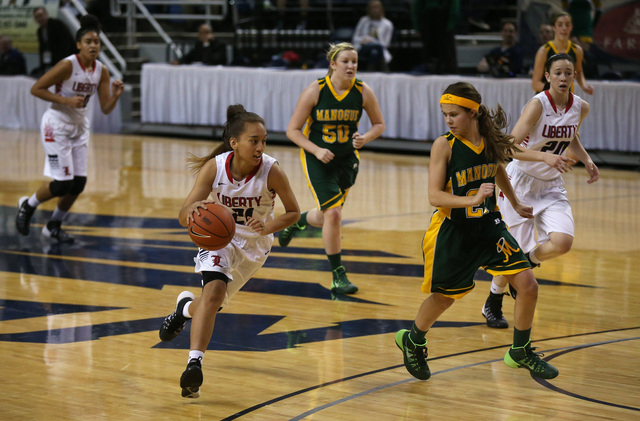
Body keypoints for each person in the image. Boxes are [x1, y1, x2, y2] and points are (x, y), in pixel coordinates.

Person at [394, 81, 561, 382]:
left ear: (473, 112)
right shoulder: (443, 145)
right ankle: (414, 339)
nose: (448, 120)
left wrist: (514, 201)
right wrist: (470, 199)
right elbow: (434, 196)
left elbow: (497, 167)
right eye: (445, 114)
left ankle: (520, 350)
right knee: (445, 298)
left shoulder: (490, 138)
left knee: (528, 285)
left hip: (488, 224)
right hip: (453, 229)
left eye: (454, 114)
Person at [158, 104, 300, 398]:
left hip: (255, 245)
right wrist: (194, 209)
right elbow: (183, 214)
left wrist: (267, 225)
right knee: (212, 295)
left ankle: (184, 310)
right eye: (254, 140)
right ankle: (194, 365)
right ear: (234, 143)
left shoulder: (272, 171)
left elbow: (295, 213)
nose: (260, 146)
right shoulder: (215, 167)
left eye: (263, 140)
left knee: (212, 304)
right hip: (219, 240)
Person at [481, 53, 599, 329]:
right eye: (557, 72)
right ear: (547, 76)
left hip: (551, 186)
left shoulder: (581, 107)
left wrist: (586, 159)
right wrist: (545, 157)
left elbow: (571, 138)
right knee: (512, 252)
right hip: (520, 182)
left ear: (574, 76)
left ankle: (528, 262)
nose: (563, 78)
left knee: (562, 242)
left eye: (568, 73)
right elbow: (508, 148)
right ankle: (493, 300)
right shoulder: (537, 105)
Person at [278, 42, 385, 294]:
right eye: (346, 61)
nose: (351, 66)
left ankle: (299, 221)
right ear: (333, 64)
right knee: (334, 214)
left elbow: (379, 124)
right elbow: (292, 130)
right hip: (318, 158)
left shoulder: (363, 90)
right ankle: (338, 275)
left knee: (328, 215)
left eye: (355, 61)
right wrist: (315, 150)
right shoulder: (315, 90)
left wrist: (365, 138)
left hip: (347, 159)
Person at [15, 15, 124, 243]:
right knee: (62, 183)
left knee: (78, 183)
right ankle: (28, 205)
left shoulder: (101, 71)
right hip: (56, 125)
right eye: (88, 42)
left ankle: (53, 225)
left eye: (96, 42)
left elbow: (105, 108)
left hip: (79, 127)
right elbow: (36, 88)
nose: (93, 45)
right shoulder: (68, 65)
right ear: (79, 45)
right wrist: (66, 101)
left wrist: (115, 96)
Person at [531, 12, 593, 94]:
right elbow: (535, 84)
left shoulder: (577, 50)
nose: (564, 28)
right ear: (553, 27)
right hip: (546, 101)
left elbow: (578, 72)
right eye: (560, 25)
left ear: (571, 27)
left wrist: (584, 86)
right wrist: (555, 91)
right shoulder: (544, 51)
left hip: (566, 101)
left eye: (567, 25)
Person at [411, 0, 459, 74]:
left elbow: (454, 5)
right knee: (429, 51)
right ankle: (429, 69)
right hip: (427, 19)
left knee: (447, 52)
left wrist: (451, 23)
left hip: (444, 19)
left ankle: (449, 72)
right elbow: (417, 6)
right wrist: (417, 26)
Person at [351, 0, 394, 72]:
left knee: (374, 52)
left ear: (381, 9)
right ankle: (385, 70)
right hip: (363, 48)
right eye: (372, 8)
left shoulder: (387, 24)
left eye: (376, 7)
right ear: (368, 9)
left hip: (379, 50)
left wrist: (372, 41)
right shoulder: (363, 20)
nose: (374, 10)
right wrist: (364, 40)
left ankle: (370, 71)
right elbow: (355, 38)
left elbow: (386, 44)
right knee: (374, 49)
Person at [33, 6, 77, 75]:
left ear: (46, 15)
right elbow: (43, 49)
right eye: (37, 17)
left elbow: (65, 45)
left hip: (67, 58)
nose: (40, 19)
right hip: (52, 61)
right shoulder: (40, 31)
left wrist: (62, 62)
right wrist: (43, 66)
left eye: (41, 15)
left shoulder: (57, 25)